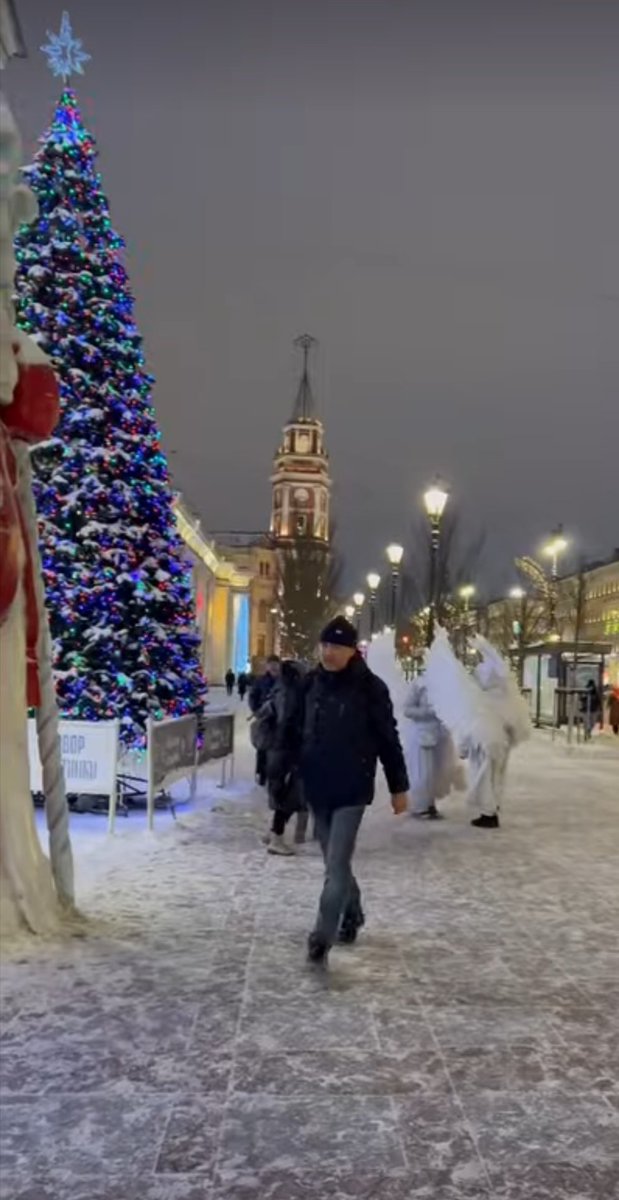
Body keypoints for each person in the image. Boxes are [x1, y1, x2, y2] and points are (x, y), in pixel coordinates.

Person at [276, 616, 409, 966]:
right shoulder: (309, 685)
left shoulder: (371, 689)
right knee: (334, 861)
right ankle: (353, 913)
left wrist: (398, 787)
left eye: (336, 646)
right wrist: (282, 773)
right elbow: (291, 732)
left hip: (352, 788)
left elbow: (388, 739)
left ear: (352, 651)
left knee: (335, 865)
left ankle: (322, 935)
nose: (328, 652)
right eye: (325, 645)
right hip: (317, 787)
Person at [424, 629, 531, 831]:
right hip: (500, 744)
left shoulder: (482, 699)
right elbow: (504, 672)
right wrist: (486, 649)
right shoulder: (504, 694)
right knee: (496, 776)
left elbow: (471, 723)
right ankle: (492, 808)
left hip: (485, 744)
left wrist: (464, 748)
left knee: (483, 778)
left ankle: (488, 813)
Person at [402, 674, 463, 819]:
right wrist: (429, 712)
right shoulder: (419, 684)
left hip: (440, 736)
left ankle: (430, 804)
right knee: (422, 773)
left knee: (436, 773)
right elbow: (407, 710)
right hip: (421, 735)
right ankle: (420, 806)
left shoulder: (447, 685)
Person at [263, 660, 306, 856]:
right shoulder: (292, 692)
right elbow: (288, 720)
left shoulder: (278, 688)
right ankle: (276, 836)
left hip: (276, 747)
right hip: (287, 748)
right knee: (291, 794)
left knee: (283, 793)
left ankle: (274, 833)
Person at [249, 656, 281, 785]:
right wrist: (257, 710)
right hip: (265, 719)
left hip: (280, 720)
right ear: (267, 666)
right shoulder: (261, 681)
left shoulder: (283, 681)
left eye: (275, 664)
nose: (273, 667)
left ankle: (275, 774)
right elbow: (253, 697)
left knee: (277, 748)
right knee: (262, 746)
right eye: (271, 664)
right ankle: (261, 773)